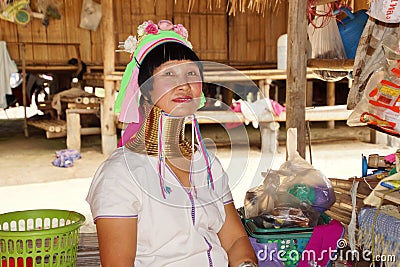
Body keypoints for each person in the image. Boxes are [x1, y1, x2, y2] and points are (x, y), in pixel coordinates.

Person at [86, 20, 258, 267]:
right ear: (144, 90)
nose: (184, 84)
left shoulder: (208, 164)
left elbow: (235, 240)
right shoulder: (120, 174)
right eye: (169, 74)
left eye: (191, 73)